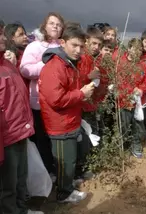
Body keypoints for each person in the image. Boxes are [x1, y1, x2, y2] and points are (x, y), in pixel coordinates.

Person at [39, 25, 94, 203]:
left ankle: (68, 187)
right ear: (63, 42)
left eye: (81, 46)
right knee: (64, 162)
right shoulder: (55, 67)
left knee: (69, 159)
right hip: (60, 124)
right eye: (74, 45)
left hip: (70, 120)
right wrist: (82, 94)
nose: (78, 50)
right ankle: (64, 194)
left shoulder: (68, 64)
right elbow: (56, 99)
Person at [0, 19, 39, 214]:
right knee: (9, 184)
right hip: (6, 138)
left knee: (21, 176)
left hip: (20, 131)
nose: (2, 37)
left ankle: (22, 209)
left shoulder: (8, 63)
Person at [20, 12, 65, 179]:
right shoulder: (35, 46)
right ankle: (47, 171)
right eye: (52, 23)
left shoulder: (62, 47)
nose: (55, 26)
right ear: (45, 26)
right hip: (39, 102)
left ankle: (58, 169)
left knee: (55, 137)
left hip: (58, 101)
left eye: (58, 24)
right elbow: (25, 69)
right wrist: (46, 66)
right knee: (42, 139)